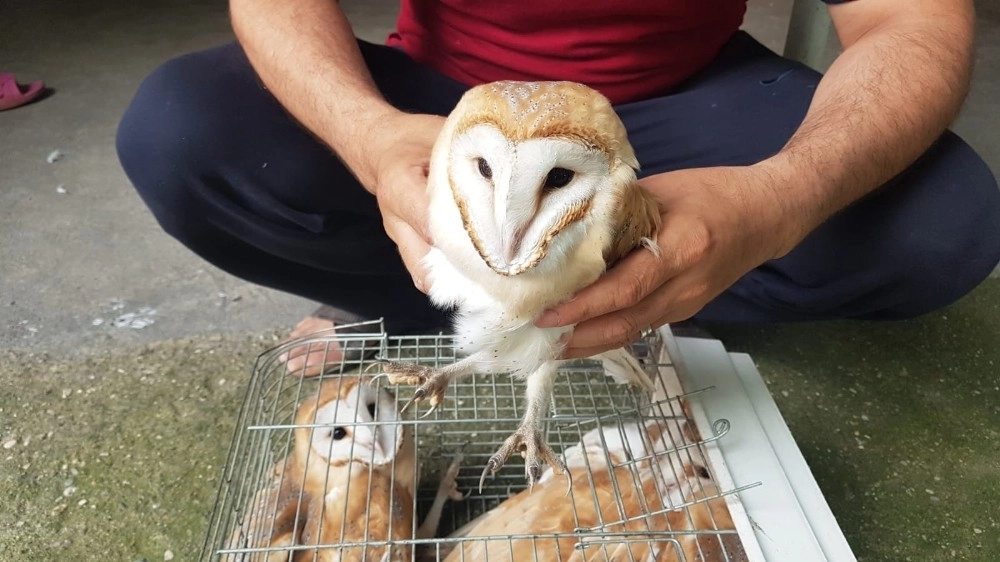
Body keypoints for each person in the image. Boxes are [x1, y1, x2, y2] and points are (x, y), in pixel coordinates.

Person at [116, 0, 1000, 375]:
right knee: (184, 132)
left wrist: (777, 202)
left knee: (938, 224)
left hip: (682, 101)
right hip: (452, 105)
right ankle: (439, 300)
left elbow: (911, 20)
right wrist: (369, 136)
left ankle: (650, 294)